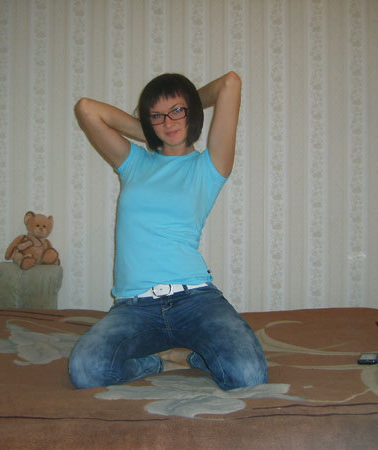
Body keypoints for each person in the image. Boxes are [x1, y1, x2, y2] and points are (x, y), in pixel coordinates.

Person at [69, 71, 268, 391]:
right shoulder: (134, 162)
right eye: (157, 115)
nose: (169, 121)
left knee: (248, 375)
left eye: (177, 110)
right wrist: (151, 131)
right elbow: (86, 108)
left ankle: (192, 357)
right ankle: (160, 361)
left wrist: (185, 107)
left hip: (195, 300)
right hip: (135, 307)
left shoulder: (209, 166)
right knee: (86, 371)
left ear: (191, 112)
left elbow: (230, 83)